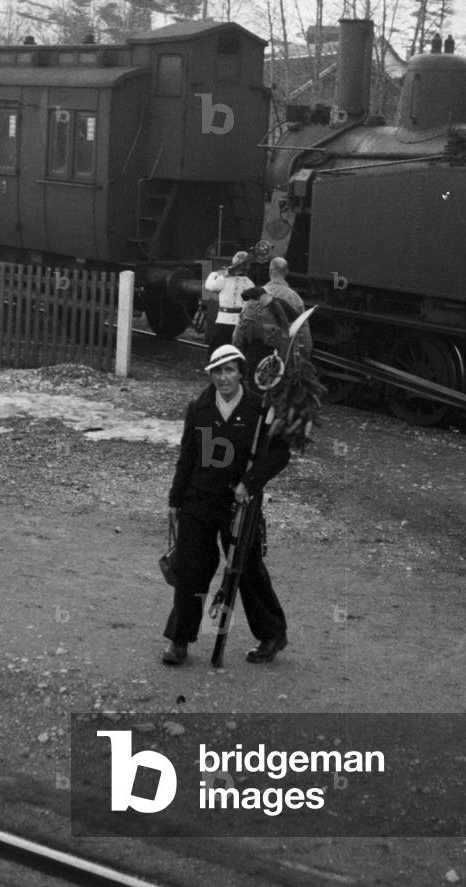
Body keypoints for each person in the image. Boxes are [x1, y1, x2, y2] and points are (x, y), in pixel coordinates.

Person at [163, 344, 290, 666]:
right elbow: (188, 456)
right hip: (199, 499)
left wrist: (250, 482)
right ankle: (180, 640)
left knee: (246, 570)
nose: (223, 377)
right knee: (192, 569)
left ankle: (272, 635)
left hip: (240, 504)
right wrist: (175, 500)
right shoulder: (200, 407)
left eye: (229, 370)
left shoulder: (260, 409)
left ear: (241, 372)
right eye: (217, 371)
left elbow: (280, 453)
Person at [204, 251, 254, 355]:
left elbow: (210, 286)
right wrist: (221, 274)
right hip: (233, 322)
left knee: (222, 353)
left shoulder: (225, 280)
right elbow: (210, 286)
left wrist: (219, 275)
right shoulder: (248, 283)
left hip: (230, 321)